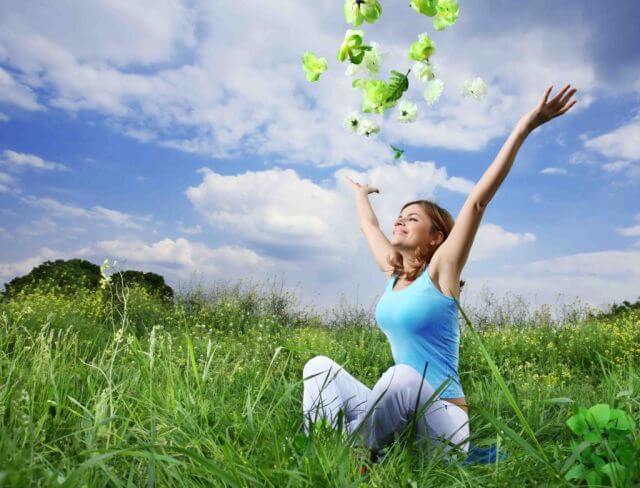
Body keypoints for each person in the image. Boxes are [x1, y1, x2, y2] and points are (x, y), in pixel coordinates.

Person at [302, 84, 578, 461]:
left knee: (400, 377)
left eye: (412, 217)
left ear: (436, 238)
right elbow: (369, 227)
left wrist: (525, 126)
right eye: (400, 214)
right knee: (319, 367)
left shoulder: (441, 272)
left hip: (443, 422)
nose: (398, 219)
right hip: (401, 409)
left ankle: (353, 452)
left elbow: (478, 201)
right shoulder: (393, 271)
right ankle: (323, 450)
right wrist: (360, 194)